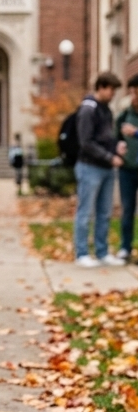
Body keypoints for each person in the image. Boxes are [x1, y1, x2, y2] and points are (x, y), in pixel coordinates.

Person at [74, 71, 126, 268]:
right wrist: (109, 156)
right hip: (89, 167)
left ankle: (102, 251)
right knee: (85, 212)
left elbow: (106, 138)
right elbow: (86, 142)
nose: (113, 94)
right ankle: (82, 253)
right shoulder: (89, 109)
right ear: (101, 87)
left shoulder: (107, 110)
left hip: (106, 167)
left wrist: (116, 148)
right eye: (111, 90)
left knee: (105, 213)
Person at [116, 73, 138, 262]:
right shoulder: (124, 116)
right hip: (128, 169)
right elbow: (115, 138)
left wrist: (136, 132)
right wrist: (118, 148)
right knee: (127, 209)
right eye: (134, 93)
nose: (136, 97)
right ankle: (125, 247)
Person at [8, 132, 26, 197]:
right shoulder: (15, 145)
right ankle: (18, 187)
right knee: (18, 174)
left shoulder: (19, 145)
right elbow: (12, 154)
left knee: (19, 174)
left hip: (19, 161)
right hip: (17, 161)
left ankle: (19, 188)